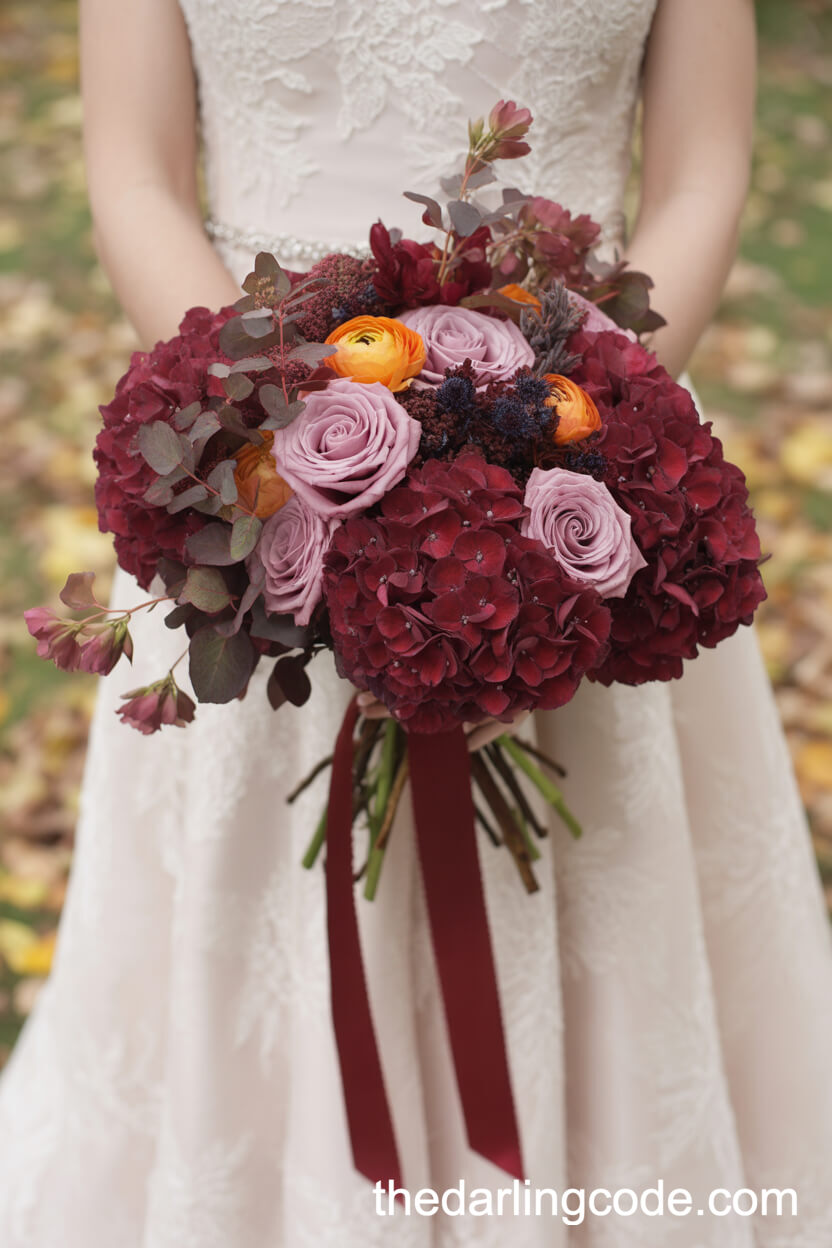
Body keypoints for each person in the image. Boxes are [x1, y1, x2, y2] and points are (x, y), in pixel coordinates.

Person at [2, 1, 831, 1243]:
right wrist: (283, 436)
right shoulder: (265, 449)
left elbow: (705, 163)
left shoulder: (586, 441)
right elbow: (133, 170)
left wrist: (585, 426)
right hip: (255, 478)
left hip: (577, 459)